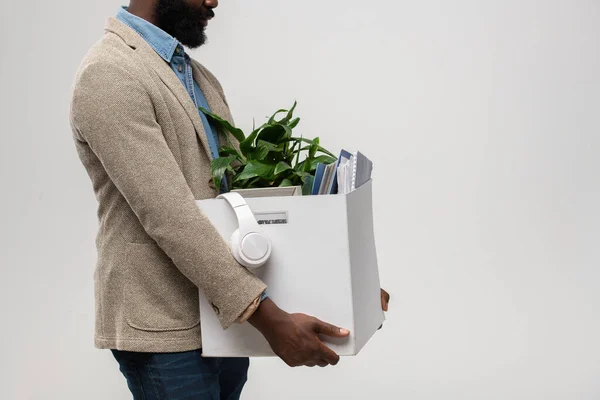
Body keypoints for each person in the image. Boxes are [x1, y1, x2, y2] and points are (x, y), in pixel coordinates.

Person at [69, 1, 391, 398]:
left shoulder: (197, 76)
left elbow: (245, 206)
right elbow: (169, 215)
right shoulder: (110, 73)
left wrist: (347, 285)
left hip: (226, 317)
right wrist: (268, 318)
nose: (214, 1)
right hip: (165, 323)